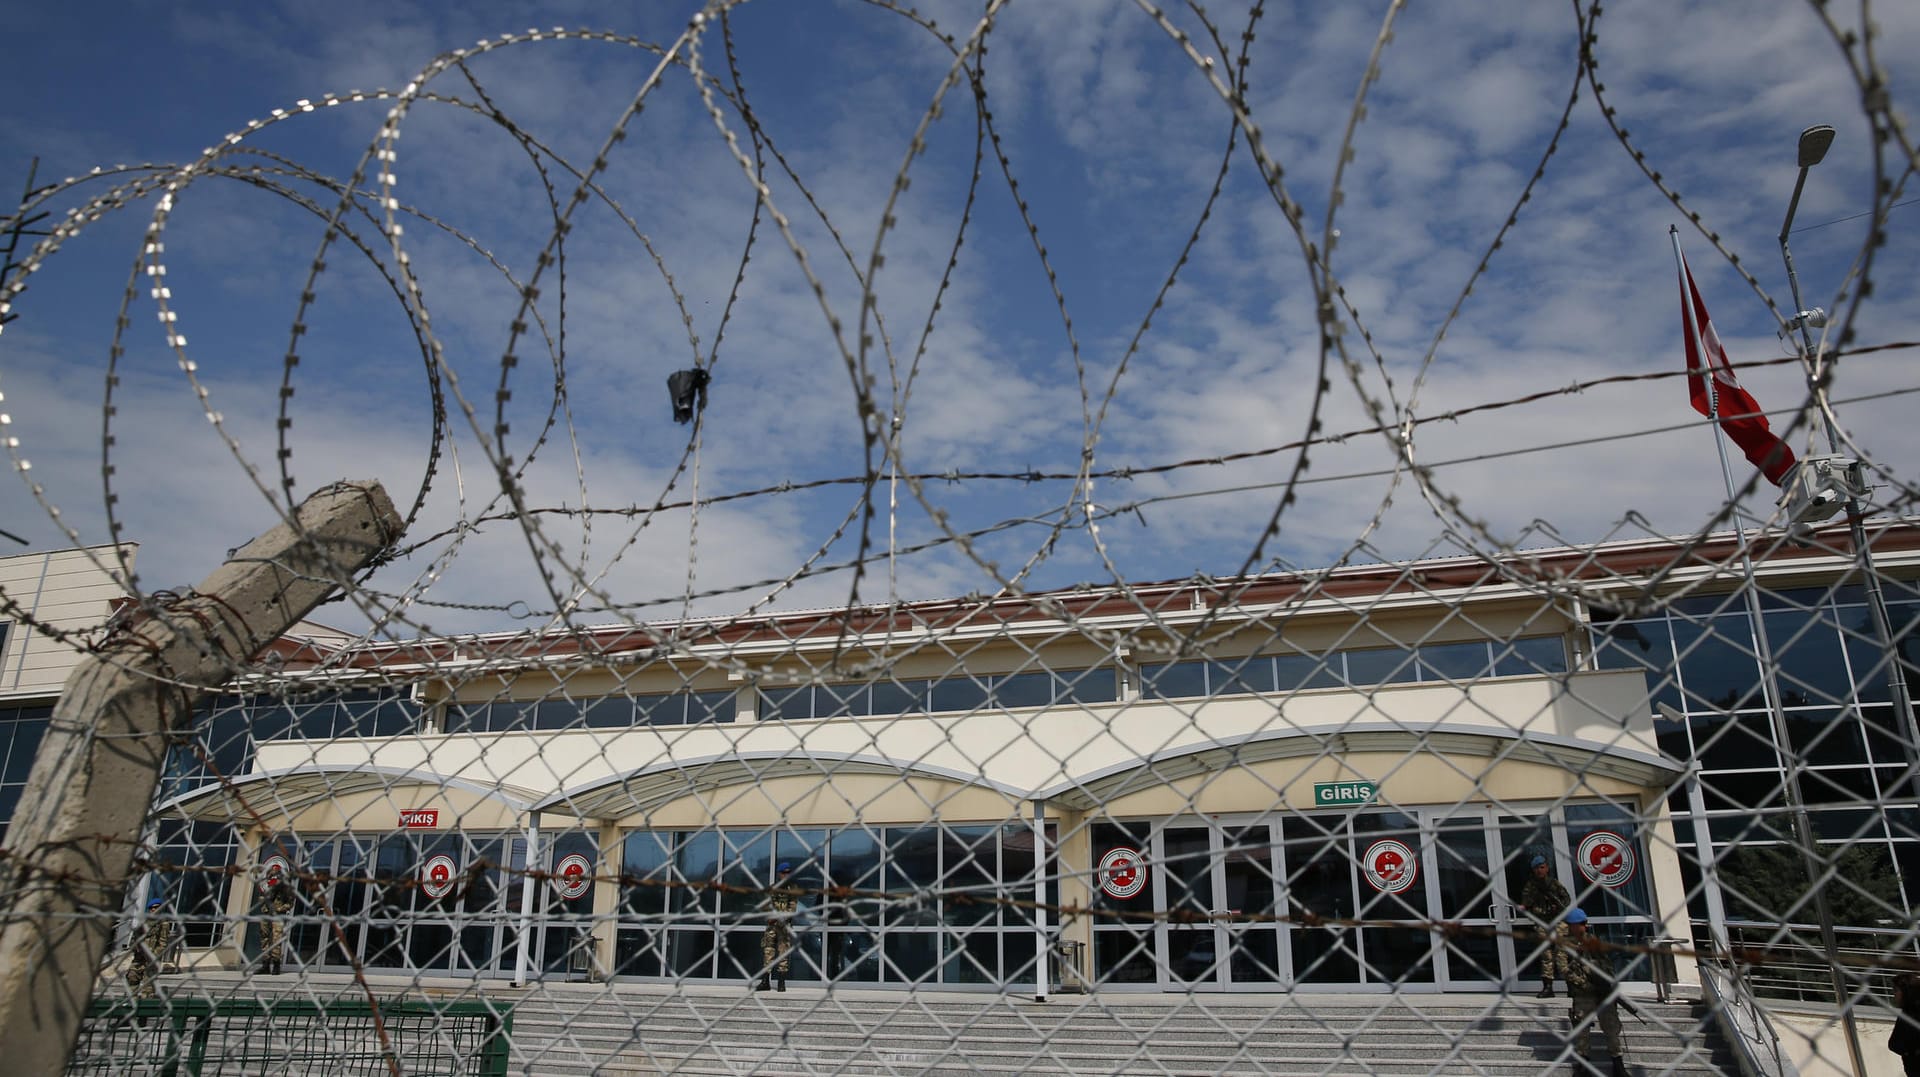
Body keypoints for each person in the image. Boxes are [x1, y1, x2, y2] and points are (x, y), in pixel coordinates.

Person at [1562, 907, 1627, 1077]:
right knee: (1582, 1030)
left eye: (1582, 924)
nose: (1581, 927)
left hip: (1602, 993)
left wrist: (1607, 982)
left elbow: (1607, 965)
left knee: (1611, 1027)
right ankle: (1583, 1064)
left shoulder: (1593, 941)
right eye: (1577, 925)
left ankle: (1617, 1062)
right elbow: (1564, 970)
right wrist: (1584, 983)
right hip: (1583, 994)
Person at [1520, 853, 1571, 998]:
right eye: (1536, 868)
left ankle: (1571, 986)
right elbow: (1526, 902)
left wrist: (1557, 907)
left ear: (1547, 868)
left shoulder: (1554, 883)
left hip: (1558, 922)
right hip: (1542, 922)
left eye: (1542, 867)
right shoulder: (1531, 886)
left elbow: (1566, 899)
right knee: (1546, 955)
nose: (1539, 871)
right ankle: (1548, 987)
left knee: (1562, 955)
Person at [757, 861, 796, 992]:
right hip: (772, 926)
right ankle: (765, 981)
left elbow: (792, 908)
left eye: (788, 872)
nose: (786, 875)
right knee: (768, 952)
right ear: (779, 874)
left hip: (784, 926)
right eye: (784, 872)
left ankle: (781, 982)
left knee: (783, 954)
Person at [125, 897, 171, 999]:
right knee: (132, 976)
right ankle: (131, 1000)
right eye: (152, 908)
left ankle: (146, 1004)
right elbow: (135, 937)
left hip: (152, 956)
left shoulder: (163, 923)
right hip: (139, 955)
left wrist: (154, 954)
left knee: (148, 983)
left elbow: (163, 942)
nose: (154, 910)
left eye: (156, 908)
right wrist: (135, 947)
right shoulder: (144, 921)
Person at [258, 864, 296, 976]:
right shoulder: (268, 886)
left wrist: (279, 908)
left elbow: (290, 904)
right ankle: (265, 964)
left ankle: (276, 965)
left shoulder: (287, 889)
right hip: (266, 913)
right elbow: (260, 898)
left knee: (276, 939)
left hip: (278, 915)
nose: (275, 878)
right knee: (264, 937)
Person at [1892, 973, 1920, 1076]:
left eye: (1896, 990)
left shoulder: (1910, 1013)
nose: (1894, 995)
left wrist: (1910, 1052)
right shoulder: (1907, 1012)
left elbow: (1894, 1044)